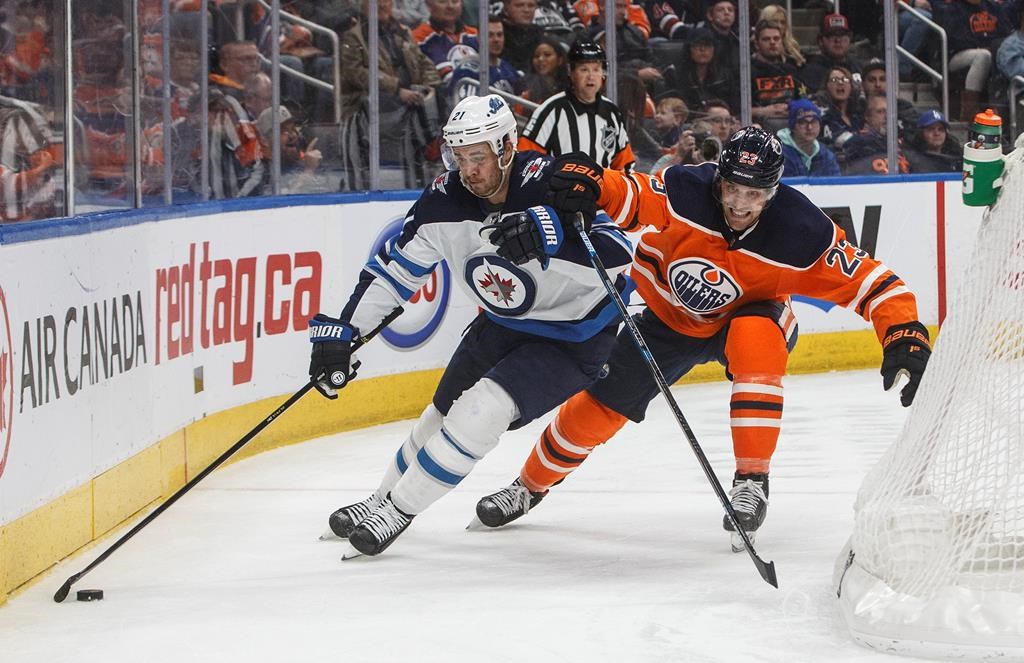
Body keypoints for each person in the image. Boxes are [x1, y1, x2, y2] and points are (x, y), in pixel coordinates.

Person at [472, 127, 932, 552]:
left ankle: (752, 482)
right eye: (732, 188)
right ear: (719, 179)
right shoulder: (685, 191)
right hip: (667, 318)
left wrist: (903, 334)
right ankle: (528, 487)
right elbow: (628, 193)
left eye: (753, 194)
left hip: (750, 315)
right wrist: (592, 183)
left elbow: (879, 284)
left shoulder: (803, 233)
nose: (738, 203)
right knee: (600, 406)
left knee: (756, 339)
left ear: (772, 192)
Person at [314, 94, 634, 556]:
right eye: (459, 157)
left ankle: (399, 510)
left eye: (478, 157)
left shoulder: (552, 182)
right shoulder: (443, 200)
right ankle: (380, 498)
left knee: (483, 410)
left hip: (573, 334)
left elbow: (619, 250)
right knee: (440, 414)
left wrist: (553, 232)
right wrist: (346, 333)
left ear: (506, 146)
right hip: (502, 323)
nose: (469, 170)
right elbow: (396, 273)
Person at [518, 40, 636, 171]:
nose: (591, 77)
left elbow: (625, 165)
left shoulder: (612, 113)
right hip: (559, 190)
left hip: (602, 191)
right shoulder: (552, 110)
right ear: (571, 72)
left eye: (596, 69)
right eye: (584, 69)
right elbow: (526, 158)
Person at [933, 0, 1012, 121]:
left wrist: (992, 46)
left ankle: (999, 105)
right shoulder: (953, 9)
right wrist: (980, 45)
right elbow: (954, 39)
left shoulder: (993, 7)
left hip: (990, 51)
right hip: (957, 55)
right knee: (983, 55)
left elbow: (1005, 33)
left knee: (998, 53)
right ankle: (969, 108)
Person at [749, 20, 808, 130]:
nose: (772, 42)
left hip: (793, 124)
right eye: (766, 39)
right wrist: (764, 111)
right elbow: (737, 109)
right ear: (756, 44)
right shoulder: (747, 72)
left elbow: (803, 98)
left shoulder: (791, 70)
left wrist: (792, 107)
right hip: (762, 127)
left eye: (776, 39)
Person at [664, 26, 737, 114]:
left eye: (707, 45)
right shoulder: (675, 75)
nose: (702, 49)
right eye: (697, 45)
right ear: (689, 49)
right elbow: (674, 108)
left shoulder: (724, 76)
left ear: (714, 49)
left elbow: (734, 107)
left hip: (721, 121)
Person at [801, 12, 863, 93]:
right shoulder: (811, 72)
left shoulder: (858, 66)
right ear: (820, 41)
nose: (838, 40)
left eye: (843, 35)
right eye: (832, 35)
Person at [778, 98, 840, 177]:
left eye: (814, 122)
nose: (809, 127)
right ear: (792, 127)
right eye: (803, 122)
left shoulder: (827, 155)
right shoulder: (780, 155)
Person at [816, 66, 863, 152]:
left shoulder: (857, 116)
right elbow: (841, 140)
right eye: (834, 80)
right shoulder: (823, 115)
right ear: (827, 86)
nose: (840, 83)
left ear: (851, 86)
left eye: (845, 79)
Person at [906, 109, 962, 173]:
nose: (937, 133)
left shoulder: (956, 157)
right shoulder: (911, 159)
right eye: (931, 129)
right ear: (920, 133)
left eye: (941, 129)